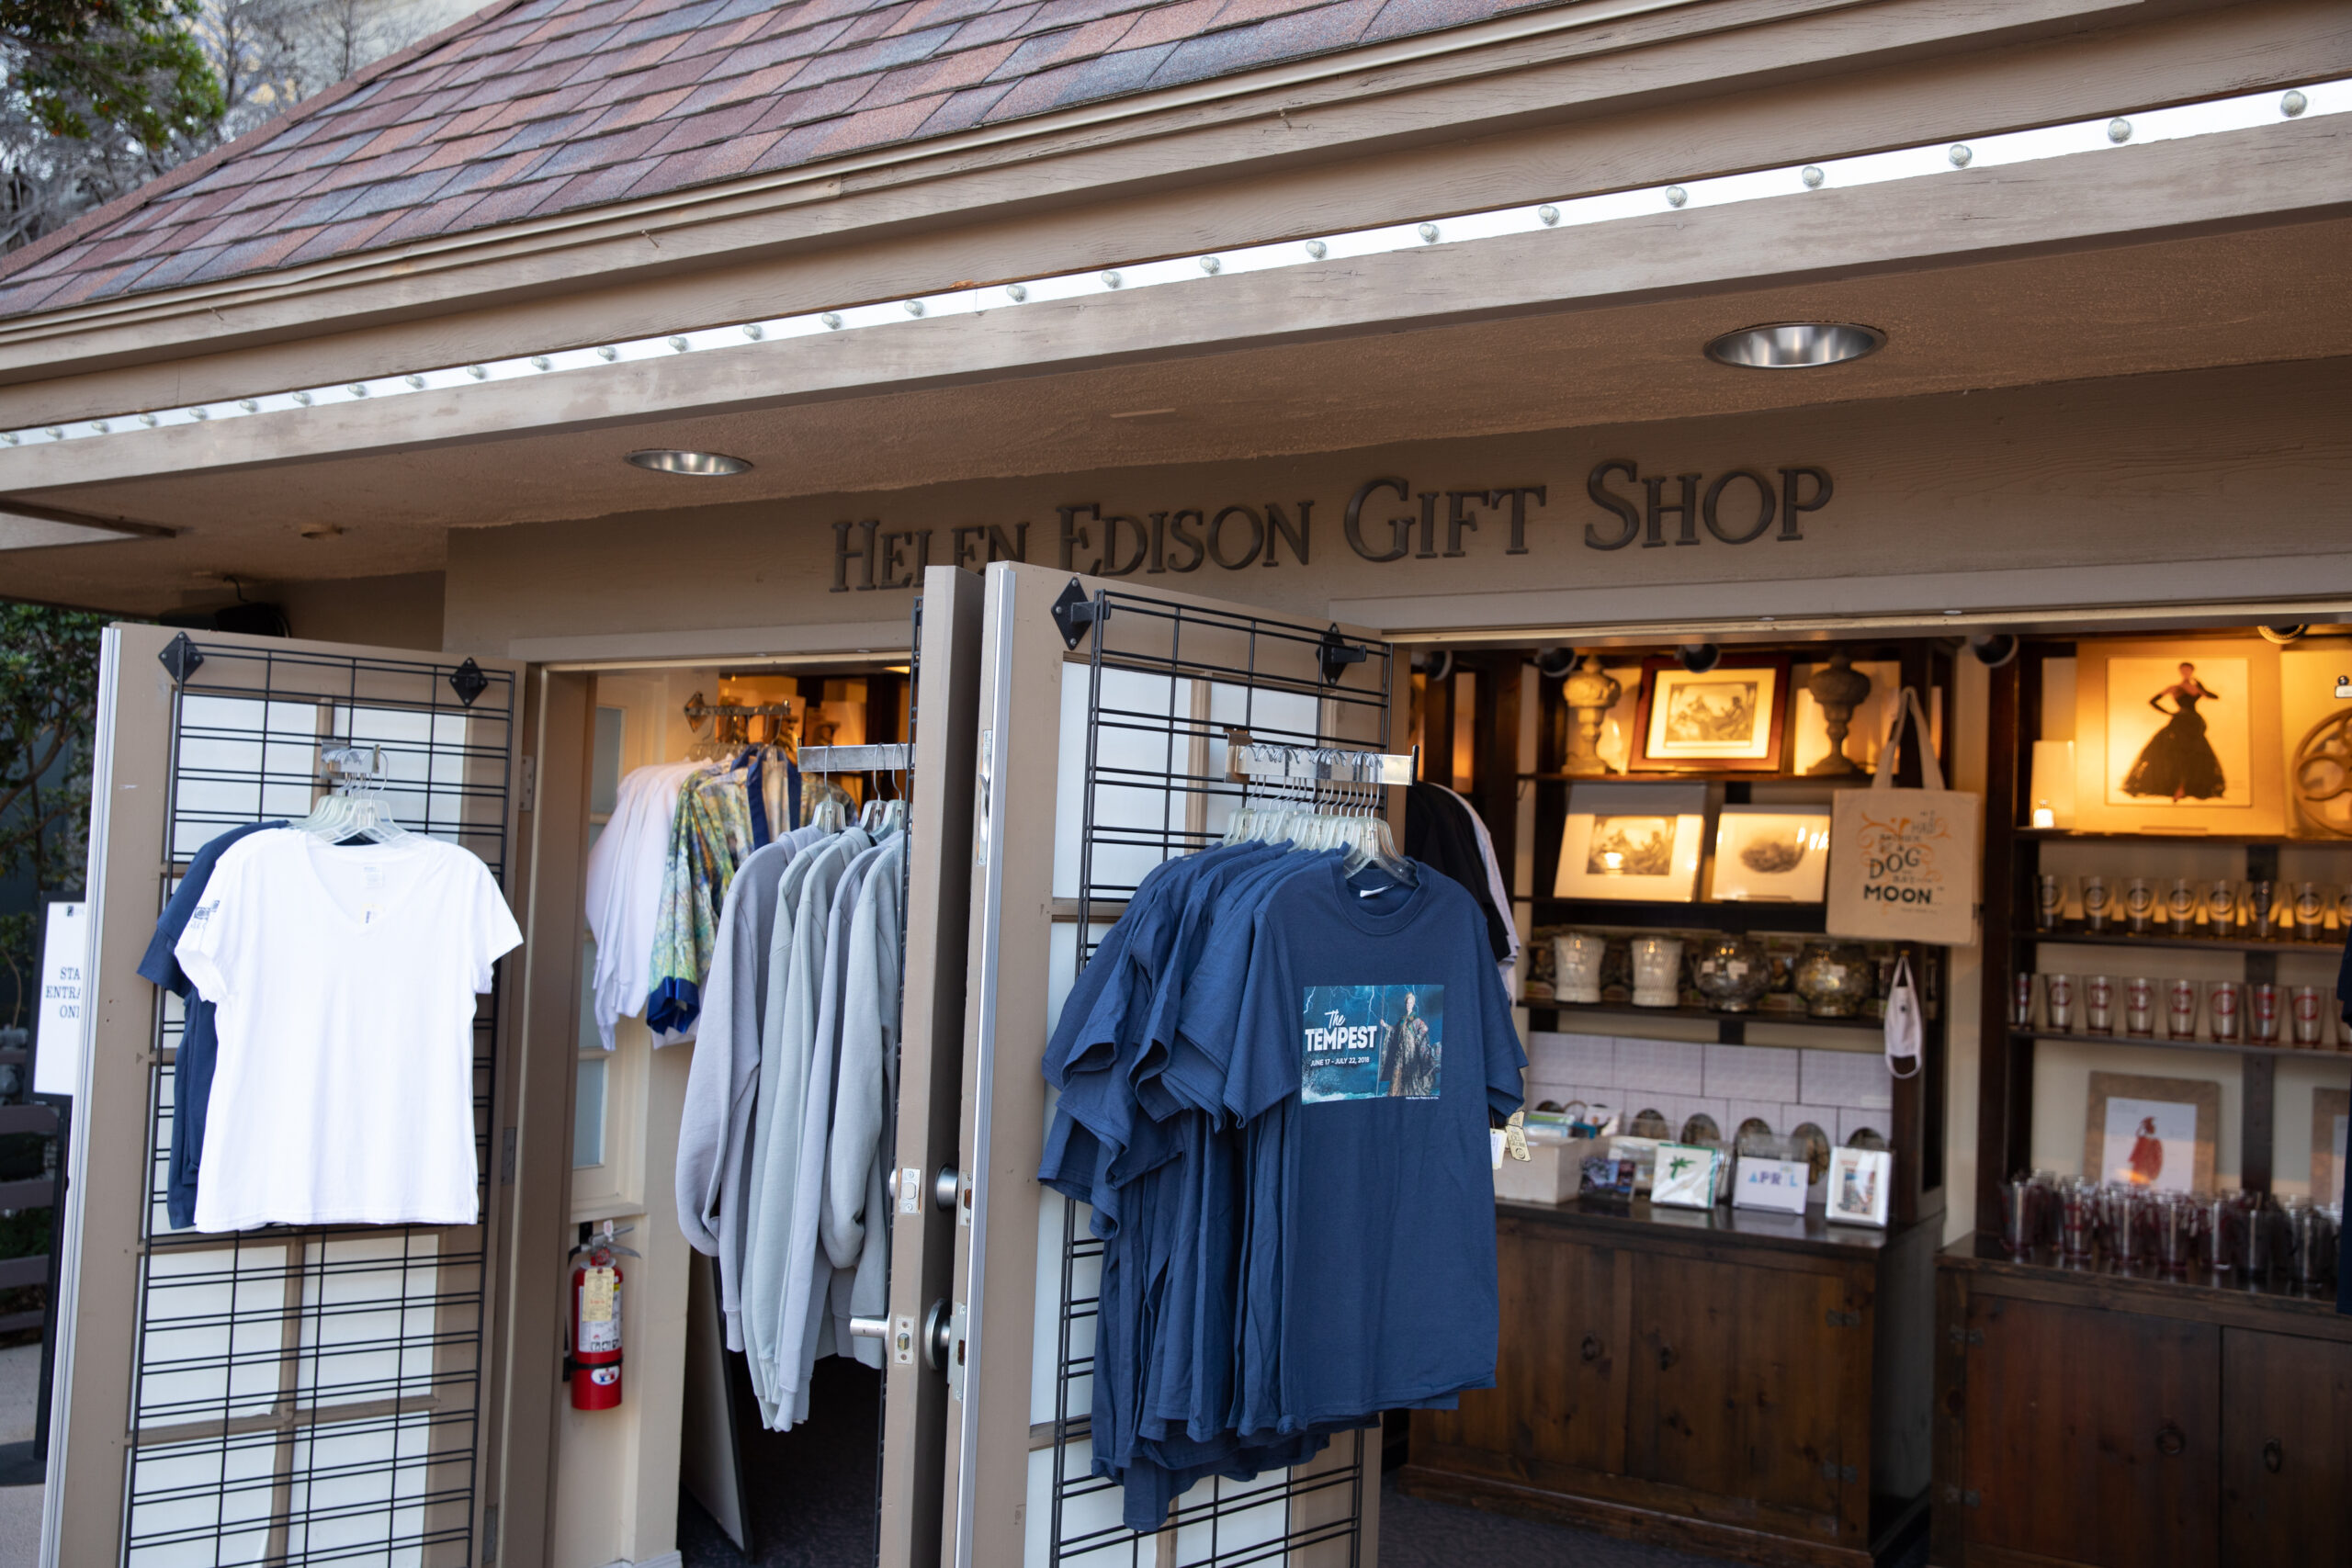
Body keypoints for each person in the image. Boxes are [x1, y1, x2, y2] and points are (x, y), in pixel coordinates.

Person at [2120, 661, 2225, 802]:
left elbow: (2215, 697)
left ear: (2192, 671)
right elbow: (2153, 701)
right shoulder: (2174, 688)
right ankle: (2177, 787)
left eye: (2188, 670)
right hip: (2179, 722)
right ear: (2181, 671)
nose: (2186, 672)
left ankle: (2185, 787)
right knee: (2175, 752)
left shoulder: (2196, 688)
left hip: (2195, 722)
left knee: (2196, 752)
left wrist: (2202, 688)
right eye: (2184, 670)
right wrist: (2169, 713)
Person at [1380, 990, 1439, 1099]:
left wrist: (1418, 1038)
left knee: (1410, 1075)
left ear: (1413, 1004)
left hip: (1411, 1052)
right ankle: (1394, 1095)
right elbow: (1395, 1030)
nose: (1408, 1005)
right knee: (1396, 1072)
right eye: (1407, 1003)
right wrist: (1385, 1025)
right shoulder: (1402, 1020)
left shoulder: (1415, 1019)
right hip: (1400, 1051)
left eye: (1410, 1003)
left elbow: (1425, 1028)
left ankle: (1409, 1095)